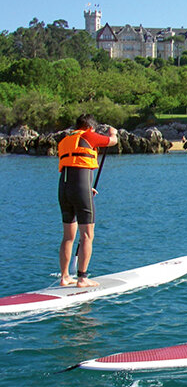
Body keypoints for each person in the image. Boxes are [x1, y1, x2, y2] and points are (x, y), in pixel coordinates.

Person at [58, 114, 118, 287]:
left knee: (68, 236)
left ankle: (65, 277)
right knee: (87, 235)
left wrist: (85, 187)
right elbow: (112, 141)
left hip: (64, 188)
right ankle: (82, 278)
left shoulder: (65, 139)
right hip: (80, 189)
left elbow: (73, 164)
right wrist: (113, 132)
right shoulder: (88, 135)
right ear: (90, 127)